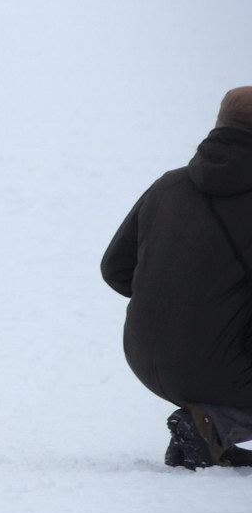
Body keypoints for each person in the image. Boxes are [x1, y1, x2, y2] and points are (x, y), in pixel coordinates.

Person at [101, 86, 252, 469]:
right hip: (220, 367)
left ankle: (202, 434)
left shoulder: (168, 185)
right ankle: (213, 425)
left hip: (146, 358)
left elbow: (115, 269)